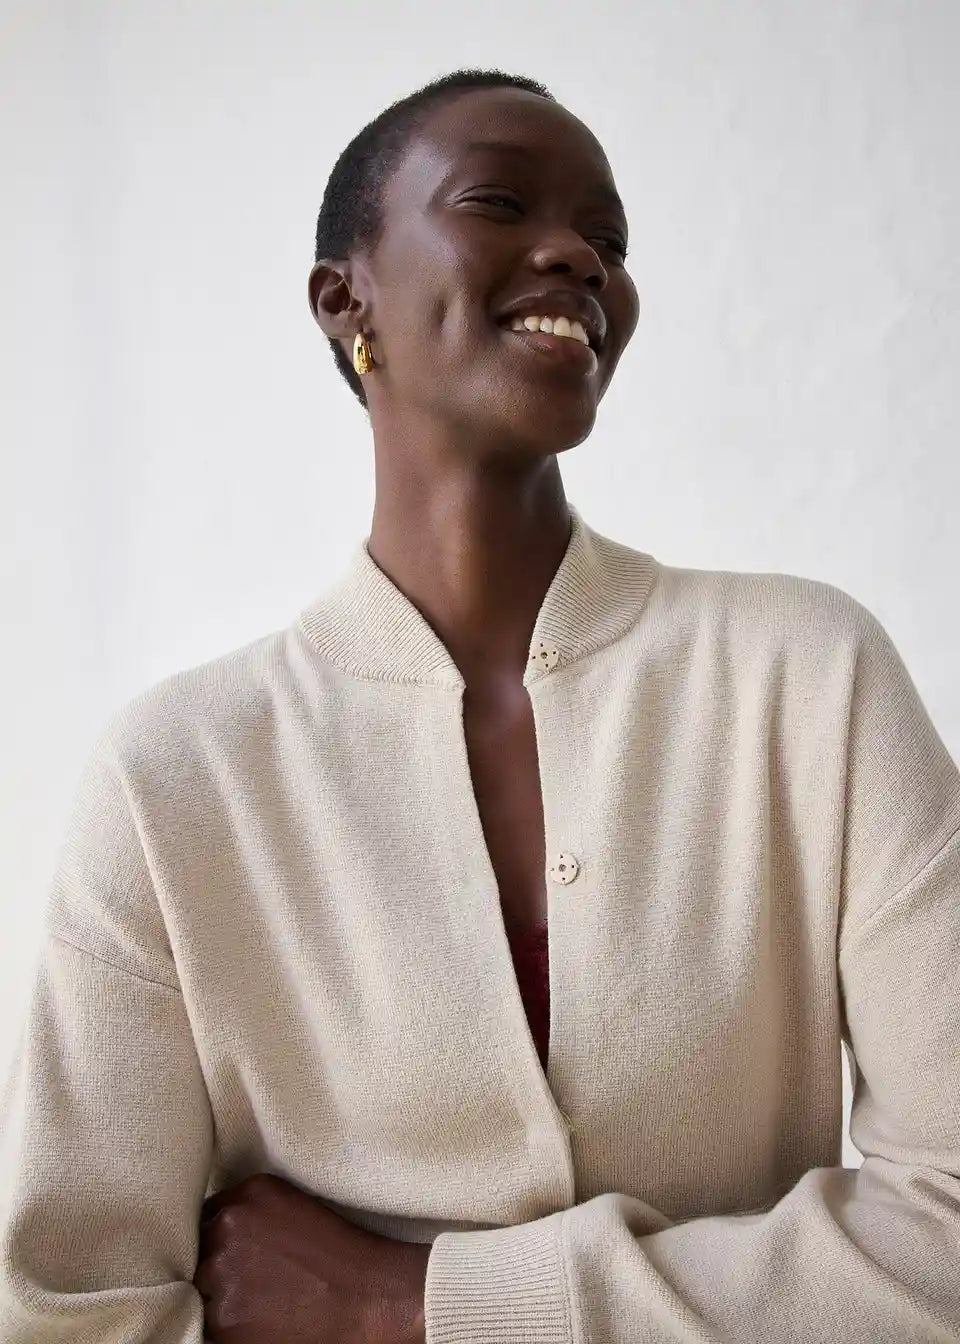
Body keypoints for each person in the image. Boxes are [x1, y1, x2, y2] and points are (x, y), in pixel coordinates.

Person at [2, 66, 959, 1344]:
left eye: (610, 240)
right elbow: (71, 1309)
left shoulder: (811, 680)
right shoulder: (176, 778)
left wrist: (402, 1304)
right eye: (499, 203)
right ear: (345, 298)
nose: (578, 257)